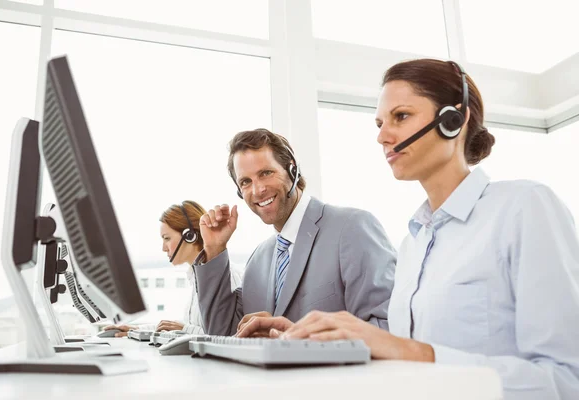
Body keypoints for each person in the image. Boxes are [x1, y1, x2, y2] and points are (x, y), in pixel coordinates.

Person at [239, 59, 579, 399]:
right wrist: (313, 341)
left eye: (401, 116)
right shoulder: (414, 243)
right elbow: (402, 365)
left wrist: (410, 352)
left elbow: (567, 379)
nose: (382, 136)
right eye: (379, 123)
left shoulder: (523, 207)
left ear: (454, 120)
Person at [194, 128, 397, 336]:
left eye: (266, 173)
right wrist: (214, 249)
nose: (257, 190)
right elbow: (221, 335)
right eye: (246, 182)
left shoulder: (352, 228)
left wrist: (301, 340)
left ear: (292, 171)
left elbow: (388, 330)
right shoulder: (258, 260)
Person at [103, 200, 241, 337]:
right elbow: (184, 327)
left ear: (190, 236)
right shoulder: (195, 277)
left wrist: (185, 329)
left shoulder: (227, 276)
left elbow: (226, 335)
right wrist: (136, 330)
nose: (163, 248)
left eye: (167, 238)